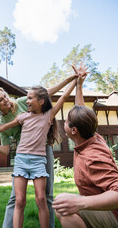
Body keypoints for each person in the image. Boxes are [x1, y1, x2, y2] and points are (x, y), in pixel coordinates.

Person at [0, 71, 78, 228]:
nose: (6, 100)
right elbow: (5, 150)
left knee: (46, 195)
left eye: (5, 96)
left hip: (42, 150)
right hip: (23, 156)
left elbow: (46, 93)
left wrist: (71, 79)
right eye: (1, 100)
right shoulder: (5, 121)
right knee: (16, 198)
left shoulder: (22, 102)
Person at [52, 64, 118, 228]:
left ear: (74, 130)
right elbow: (80, 111)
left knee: (63, 207)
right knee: (63, 202)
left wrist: (80, 203)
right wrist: (79, 85)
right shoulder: (92, 136)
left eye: (66, 121)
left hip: (114, 215)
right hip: (104, 210)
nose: (64, 123)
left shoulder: (92, 157)